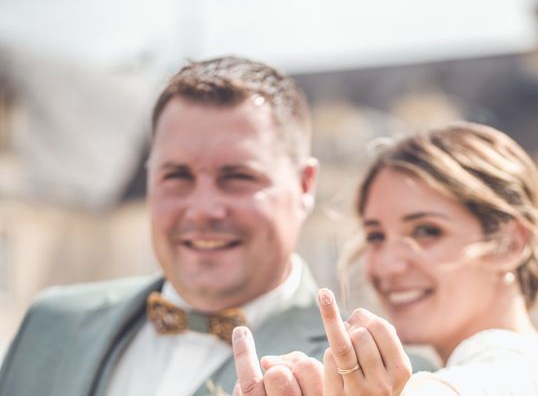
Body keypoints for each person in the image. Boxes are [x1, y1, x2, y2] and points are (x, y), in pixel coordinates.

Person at [0, 56, 330, 396]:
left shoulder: (352, 375)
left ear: (304, 186)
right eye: (176, 175)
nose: (202, 210)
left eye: (237, 177)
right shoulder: (49, 324)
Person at [231, 122, 538, 395]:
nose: (387, 265)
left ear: (509, 244)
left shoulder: (510, 370)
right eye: (375, 236)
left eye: (427, 231)